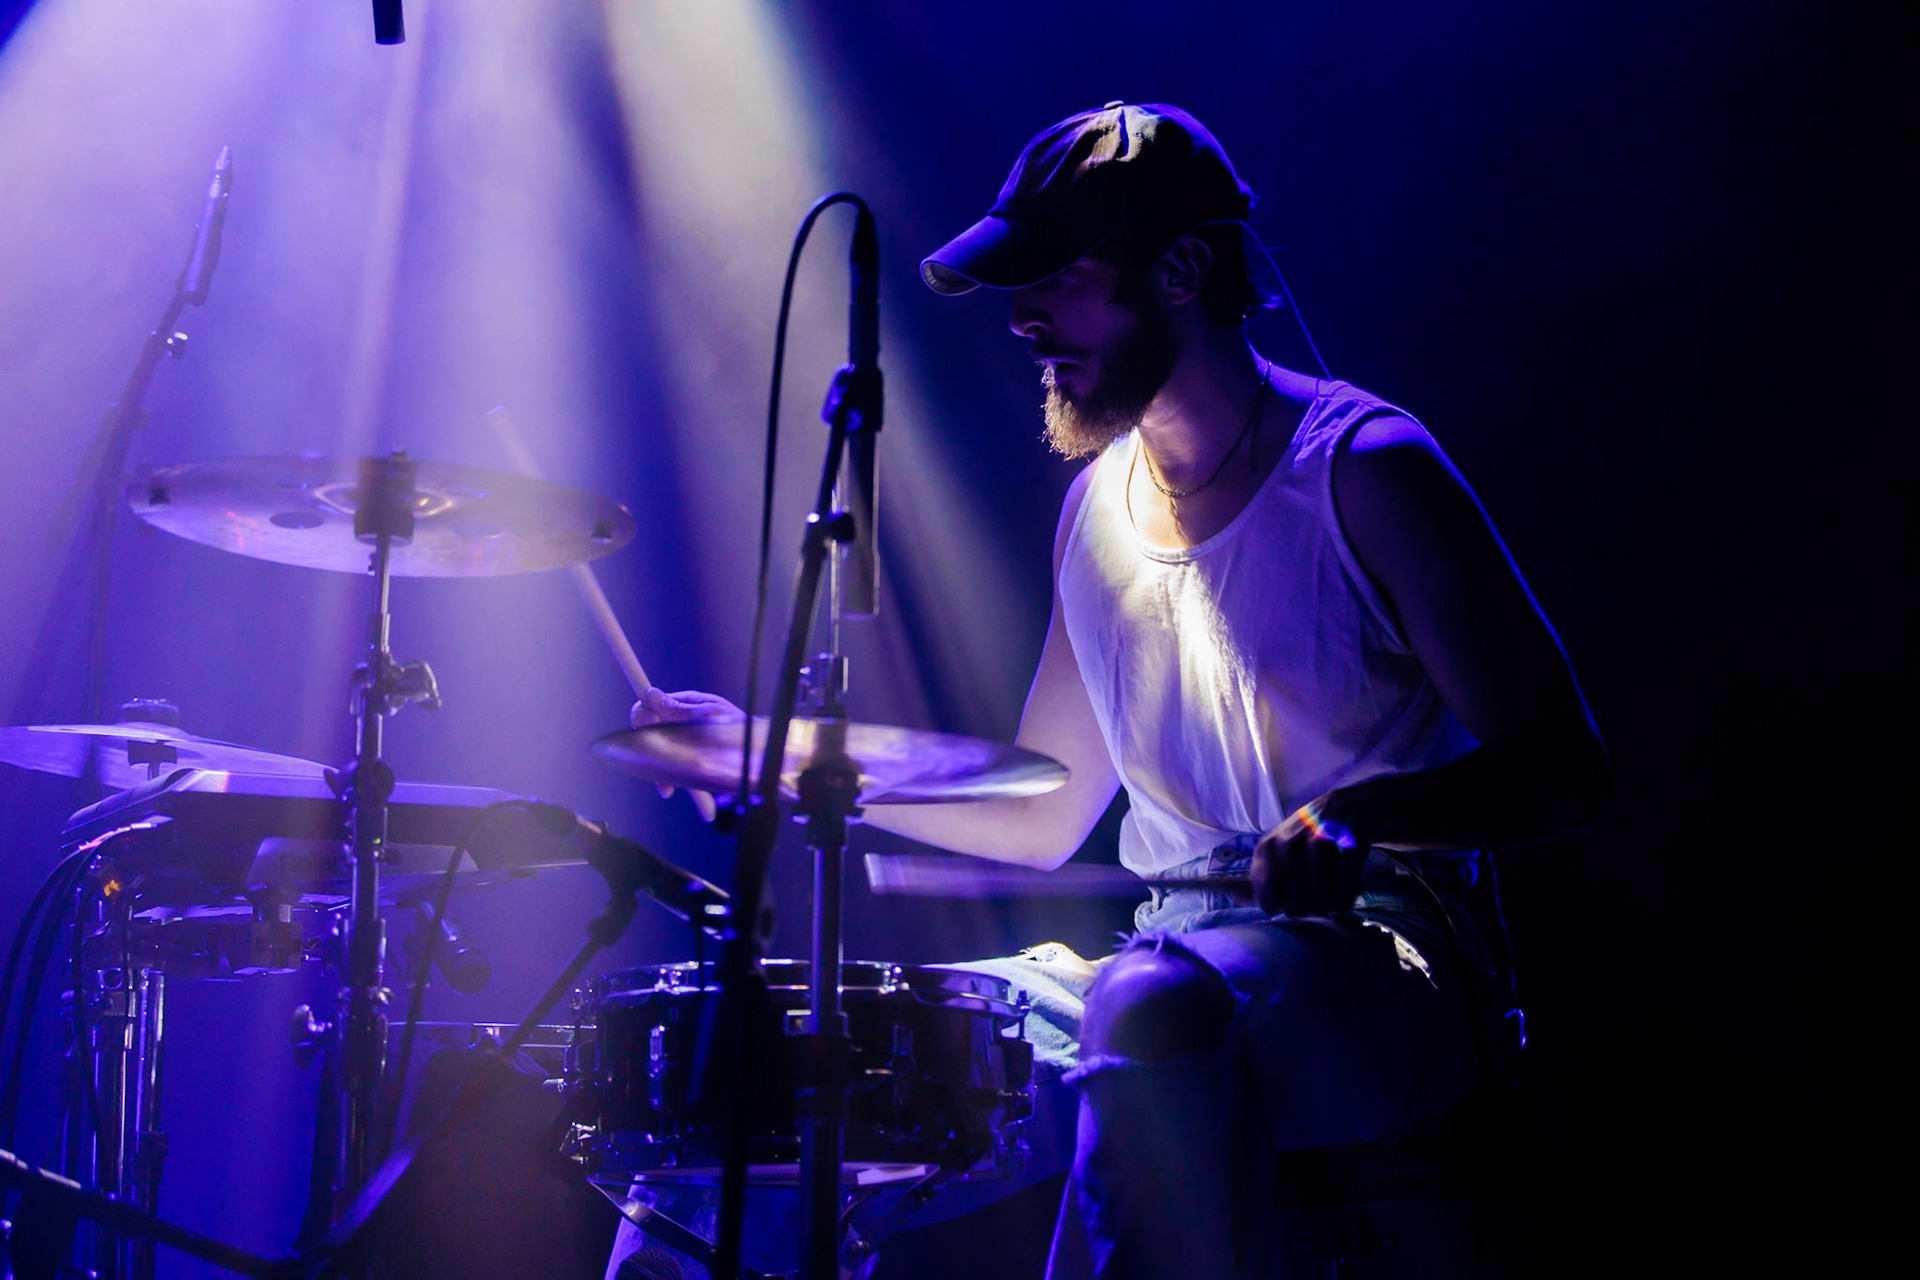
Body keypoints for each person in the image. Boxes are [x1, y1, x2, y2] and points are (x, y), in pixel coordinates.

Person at [634, 102, 1608, 1278]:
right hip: (1167, 953)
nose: (1025, 318)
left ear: (1185, 267)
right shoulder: (1096, 507)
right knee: (786, 1061)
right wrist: (772, 754)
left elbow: (1567, 766)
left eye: (1057, 280)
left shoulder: (1365, 469)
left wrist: (1371, 817)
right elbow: (1041, 813)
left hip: (1388, 956)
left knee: (1150, 1006)